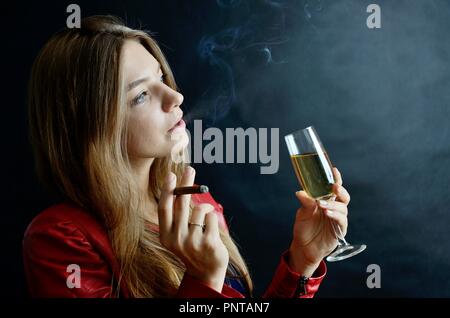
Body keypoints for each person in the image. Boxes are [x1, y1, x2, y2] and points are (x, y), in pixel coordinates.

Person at [23, 15, 351, 298]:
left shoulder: (199, 207)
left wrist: (302, 262)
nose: (175, 96)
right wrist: (203, 281)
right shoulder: (61, 238)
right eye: (140, 95)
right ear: (90, 127)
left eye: (161, 78)